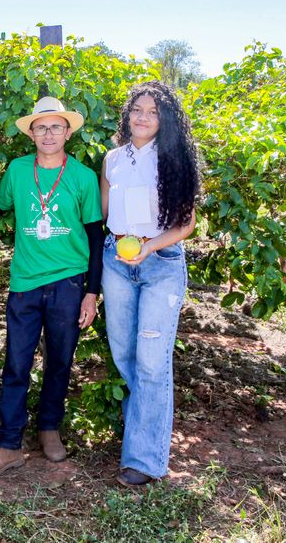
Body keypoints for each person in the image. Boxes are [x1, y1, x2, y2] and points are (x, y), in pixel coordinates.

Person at [0, 97, 103, 478]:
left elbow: (95, 236)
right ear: (31, 133)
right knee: (16, 365)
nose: (48, 133)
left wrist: (91, 292)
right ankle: (9, 446)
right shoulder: (19, 171)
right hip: (25, 283)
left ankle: (49, 429)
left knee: (60, 362)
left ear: (68, 132)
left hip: (69, 282)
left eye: (56, 127)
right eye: (41, 127)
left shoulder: (83, 176)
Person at [100, 80, 201, 487]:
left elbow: (187, 223)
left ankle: (144, 459)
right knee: (125, 355)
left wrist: (150, 245)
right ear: (128, 113)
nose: (143, 117)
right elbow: (106, 212)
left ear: (166, 120)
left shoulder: (174, 159)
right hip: (117, 262)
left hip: (160, 263)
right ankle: (140, 435)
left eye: (153, 112)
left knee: (151, 361)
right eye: (137, 109)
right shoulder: (112, 159)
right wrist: (119, 245)